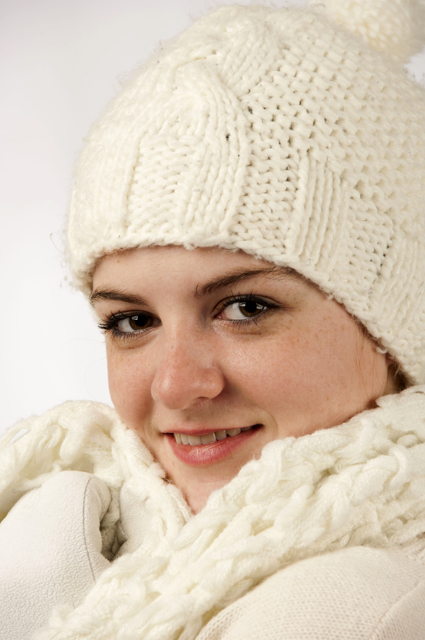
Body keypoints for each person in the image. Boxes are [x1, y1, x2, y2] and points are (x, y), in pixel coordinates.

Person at [1, 0, 425, 638]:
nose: (175, 385)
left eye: (246, 308)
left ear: (395, 329)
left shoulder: (357, 612)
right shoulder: (66, 518)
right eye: (132, 321)